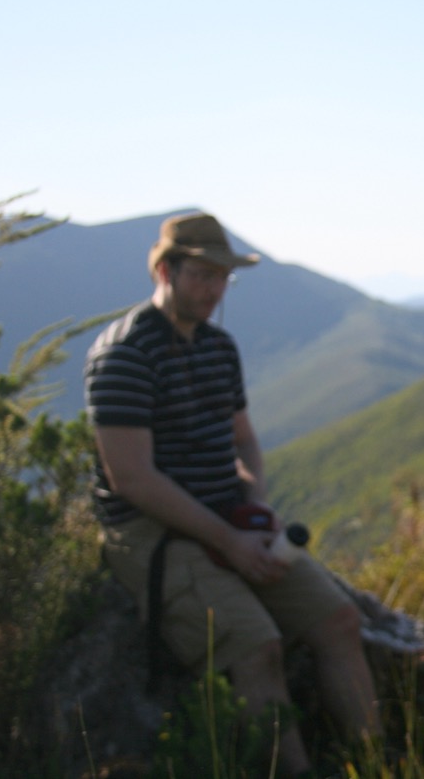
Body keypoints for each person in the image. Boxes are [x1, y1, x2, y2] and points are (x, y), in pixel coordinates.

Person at [84, 212, 379, 778]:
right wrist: (230, 541)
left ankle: (376, 761)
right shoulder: (124, 354)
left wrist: (257, 509)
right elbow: (132, 478)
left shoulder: (218, 347)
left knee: (339, 619)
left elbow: (245, 440)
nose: (215, 288)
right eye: (202, 274)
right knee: (255, 647)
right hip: (154, 532)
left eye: (223, 277)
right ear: (166, 270)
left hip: (231, 517)